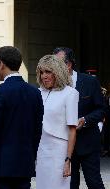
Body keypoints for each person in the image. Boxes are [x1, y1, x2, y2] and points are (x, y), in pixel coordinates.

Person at [0, 46, 43, 189]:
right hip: (25, 165)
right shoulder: (35, 93)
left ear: (1, 64)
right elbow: (37, 131)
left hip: (1, 166)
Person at [53, 47, 106, 189]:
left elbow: (101, 109)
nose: (52, 68)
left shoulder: (89, 81)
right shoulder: (53, 85)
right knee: (69, 184)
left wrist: (85, 120)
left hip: (88, 142)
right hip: (64, 144)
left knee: (94, 182)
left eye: (56, 64)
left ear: (68, 64)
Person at [35, 55, 78, 189]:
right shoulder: (37, 93)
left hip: (59, 152)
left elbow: (72, 129)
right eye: (41, 72)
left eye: (48, 72)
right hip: (41, 150)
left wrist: (68, 159)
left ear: (57, 72)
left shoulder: (70, 93)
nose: (44, 76)